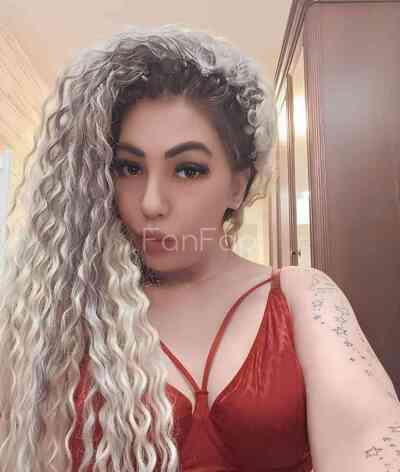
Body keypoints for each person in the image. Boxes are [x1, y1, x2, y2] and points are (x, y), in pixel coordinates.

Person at [1, 23, 398, 472]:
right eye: (129, 168)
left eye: (188, 170)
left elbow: (370, 440)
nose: (151, 203)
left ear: (237, 187)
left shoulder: (303, 299)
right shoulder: (58, 316)